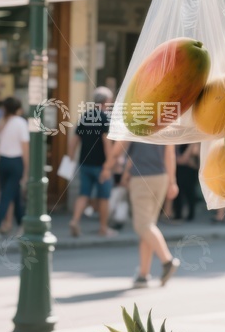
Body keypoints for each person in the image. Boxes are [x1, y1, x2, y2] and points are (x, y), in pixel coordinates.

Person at [104, 141, 180, 288]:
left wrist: (107, 168)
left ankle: (167, 261)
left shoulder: (134, 120)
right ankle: (143, 275)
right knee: (148, 226)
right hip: (161, 178)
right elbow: (169, 153)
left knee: (143, 226)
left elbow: (117, 150)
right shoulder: (164, 120)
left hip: (141, 178)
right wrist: (172, 181)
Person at [68, 87, 115, 237]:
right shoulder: (105, 118)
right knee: (104, 197)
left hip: (84, 163)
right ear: (106, 101)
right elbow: (107, 143)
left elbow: (74, 140)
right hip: (101, 165)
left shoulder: (85, 116)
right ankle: (103, 228)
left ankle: (75, 220)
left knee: (83, 194)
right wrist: (109, 164)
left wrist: (70, 158)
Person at [0, 97, 29, 240]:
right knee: (7, 195)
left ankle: (22, 223)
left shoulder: (1, 122)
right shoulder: (20, 123)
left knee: (14, 194)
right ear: (18, 109)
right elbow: (25, 148)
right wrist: (27, 168)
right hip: (15, 161)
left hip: (2, 161)